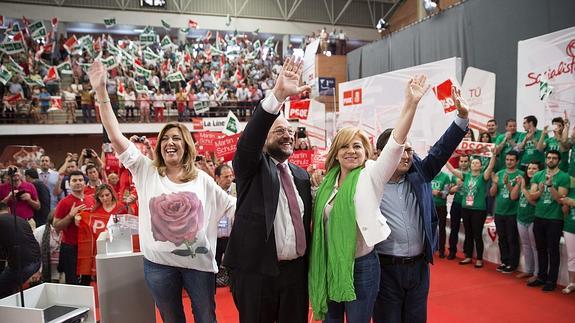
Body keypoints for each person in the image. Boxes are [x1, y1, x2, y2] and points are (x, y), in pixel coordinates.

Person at [88, 60, 236, 323]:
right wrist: (101, 92)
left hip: (199, 267)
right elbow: (115, 135)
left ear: (187, 146)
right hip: (159, 267)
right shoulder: (145, 170)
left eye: (176, 138)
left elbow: (233, 206)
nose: (170, 142)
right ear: (159, 147)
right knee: (171, 319)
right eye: (165, 138)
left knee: (206, 317)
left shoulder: (202, 179)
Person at [309, 75, 428, 323]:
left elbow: (395, 144)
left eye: (357, 147)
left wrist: (411, 104)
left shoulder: (371, 174)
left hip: (363, 267)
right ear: (336, 153)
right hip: (328, 265)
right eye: (345, 147)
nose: (351, 151)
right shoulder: (325, 185)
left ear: (366, 153)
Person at [223, 56, 312, 323]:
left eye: (290, 132)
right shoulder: (251, 166)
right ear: (264, 141)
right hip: (256, 274)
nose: (287, 136)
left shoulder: (302, 176)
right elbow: (249, 141)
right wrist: (277, 96)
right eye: (278, 132)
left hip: (296, 274)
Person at [372, 87, 469, 323]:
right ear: (381, 154)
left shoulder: (420, 174)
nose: (406, 155)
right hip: (385, 270)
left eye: (409, 150)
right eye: (400, 150)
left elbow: (441, 149)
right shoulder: (370, 182)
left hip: (419, 268)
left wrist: (462, 117)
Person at [527, 150, 570, 292]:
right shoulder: (538, 175)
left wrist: (550, 186)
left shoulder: (564, 177)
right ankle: (541, 277)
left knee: (553, 251)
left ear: (559, 160)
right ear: (545, 159)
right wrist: (539, 190)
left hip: (554, 219)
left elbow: (560, 199)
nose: (551, 160)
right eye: (549, 157)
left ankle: (552, 280)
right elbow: (532, 196)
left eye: (554, 158)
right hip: (539, 216)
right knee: (540, 249)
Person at [447, 152, 496, 268]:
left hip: (478, 210)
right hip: (466, 208)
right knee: (468, 233)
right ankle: (468, 256)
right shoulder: (466, 176)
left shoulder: (483, 177)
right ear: (470, 165)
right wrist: (444, 157)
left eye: (477, 163)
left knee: (477, 234)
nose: (474, 164)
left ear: (480, 166)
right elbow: (453, 170)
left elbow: (490, 167)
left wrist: (493, 155)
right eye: (473, 162)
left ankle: (479, 258)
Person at [53, 170, 95, 285]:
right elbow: (56, 226)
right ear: (69, 184)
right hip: (71, 247)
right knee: (72, 281)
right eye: (74, 180)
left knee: (87, 280)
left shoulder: (91, 200)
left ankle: (86, 303)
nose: (78, 183)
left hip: (87, 246)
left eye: (80, 180)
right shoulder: (64, 202)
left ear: (85, 183)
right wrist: (70, 216)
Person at [489, 151, 524, 274]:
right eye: (507, 159)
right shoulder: (499, 173)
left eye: (512, 160)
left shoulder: (521, 175)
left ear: (517, 161)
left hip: (513, 212)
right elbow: (492, 194)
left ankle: (512, 264)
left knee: (512, 239)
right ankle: (504, 261)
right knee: (502, 238)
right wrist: (494, 182)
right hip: (499, 211)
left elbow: (516, 195)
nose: (509, 162)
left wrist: (507, 183)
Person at [0, 202, 41, 299]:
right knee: (10, 287)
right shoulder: (21, 220)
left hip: (22, 265)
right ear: (9, 210)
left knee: (3, 288)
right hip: (36, 262)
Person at [511, 161, 542, 280]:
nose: (531, 170)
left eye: (535, 168)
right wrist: (519, 185)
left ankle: (537, 273)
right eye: (529, 168)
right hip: (521, 218)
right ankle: (528, 270)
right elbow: (513, 197)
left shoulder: (539, 185)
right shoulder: (525, 183)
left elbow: (535, 203)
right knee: (526, 245)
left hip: (533, 219)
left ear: (540, 171)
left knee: (535, 247)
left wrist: (524, 189)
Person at [214, 164, 236, 288]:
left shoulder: (237, 189)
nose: (229, 179)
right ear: (217, 177)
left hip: (231, 235)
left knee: (233, 266)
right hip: (215, 236)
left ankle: (234, 288)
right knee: (213, 266)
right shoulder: (210, 191)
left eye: (231, 176)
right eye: (226, 176)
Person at [447, 155, 470, 260]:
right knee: (454, 228)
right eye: (462, 161)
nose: (463, 163)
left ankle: (467, 252)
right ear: (459, 162)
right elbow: (450, 191)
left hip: (469, 205)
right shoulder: (454, 174)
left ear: (469, 162)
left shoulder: (472, 173)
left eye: (466, 161)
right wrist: (458, 186)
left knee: (469, 229)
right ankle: (452, 251)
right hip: (456, 203)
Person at [33, 211, 63, 283]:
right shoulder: (39, 231)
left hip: (62, 271)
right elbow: (34, 253)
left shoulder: (68, 230)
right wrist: (37, 270)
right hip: (45, 271)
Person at [431, 170, 453, 258]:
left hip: (441, 206)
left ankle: (442, 250)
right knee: (429, 228)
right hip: (429, 205)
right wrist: (431, 191)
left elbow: (446, 194)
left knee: (442, 228)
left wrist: (439, 193)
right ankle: (429, 248)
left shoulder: (446, 177)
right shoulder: (429, 174)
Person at [559, 182, 575, 294]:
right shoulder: (571, 190)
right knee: (571, 256)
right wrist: (565, 203)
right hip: (570, 226)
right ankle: (571, 283)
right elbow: (565, 212)